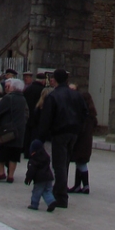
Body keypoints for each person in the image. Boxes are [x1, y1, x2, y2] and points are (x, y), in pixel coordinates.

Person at [38, 67, 87, 208]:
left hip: (60, 132)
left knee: (59, 165)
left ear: (55, 79)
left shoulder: (53, 96)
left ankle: (60, 195)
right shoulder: (76, 95)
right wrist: (79, 128)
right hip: (73, 132)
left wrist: (40, 137)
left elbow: (46, 118)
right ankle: (60, 191)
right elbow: (84, 112)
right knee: (64, 163)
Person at [0, 77, 29, 183]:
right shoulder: (22, 99)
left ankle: (1, 172)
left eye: (8, 85)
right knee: (14, 154)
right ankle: (11, 176)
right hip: (19, 130)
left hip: (6, 130)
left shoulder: (8, 98)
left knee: (1, 151)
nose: (6, 87)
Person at [69, 90, 97, 194]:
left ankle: (85, 185)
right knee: (80, 163)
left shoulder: (84, 115)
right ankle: (78, 185)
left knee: (81, 163)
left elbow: (81, 130)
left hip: (81, 143)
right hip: (86, 143)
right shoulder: (91, 115)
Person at [25, 138, 57, 212]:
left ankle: (34, 204)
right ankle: (51, 201)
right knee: (47, 190)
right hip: (49, 177)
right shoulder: (46, 157)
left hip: (40, 179)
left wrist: (28, 178)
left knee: (37, 191)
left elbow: (31, 171)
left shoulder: (33, 160)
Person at [22, 71, 46, 156]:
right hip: (38, 116)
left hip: (28, 115)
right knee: (35, 135)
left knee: (27, 134)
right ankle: (34, 152)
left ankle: (26, 151)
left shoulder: (28, 89)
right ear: (43, 81)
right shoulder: (42, 90)